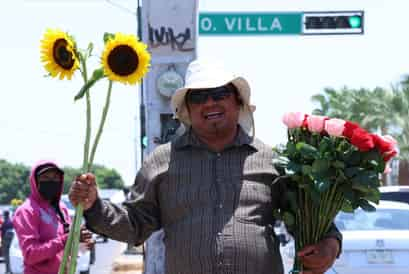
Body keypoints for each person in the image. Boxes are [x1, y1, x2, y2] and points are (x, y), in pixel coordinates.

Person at [69, 59, 341, 274]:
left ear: (238, 102)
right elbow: (134, 225)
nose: (210, 102)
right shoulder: (161, 162)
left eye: (220, 93)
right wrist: (94, 205)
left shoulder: (271, 161)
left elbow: (310, 219)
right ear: (187, 108)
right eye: (199, 97)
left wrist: (329, 245)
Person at [12, 160, 94, 274]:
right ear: (35, 181)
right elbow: (30, 254)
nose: (51, 181)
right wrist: (67, 239)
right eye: (45, 177)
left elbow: (66, 247)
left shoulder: (61, 208)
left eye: (55, 178)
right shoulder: (27, 211)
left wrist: (81, 243)